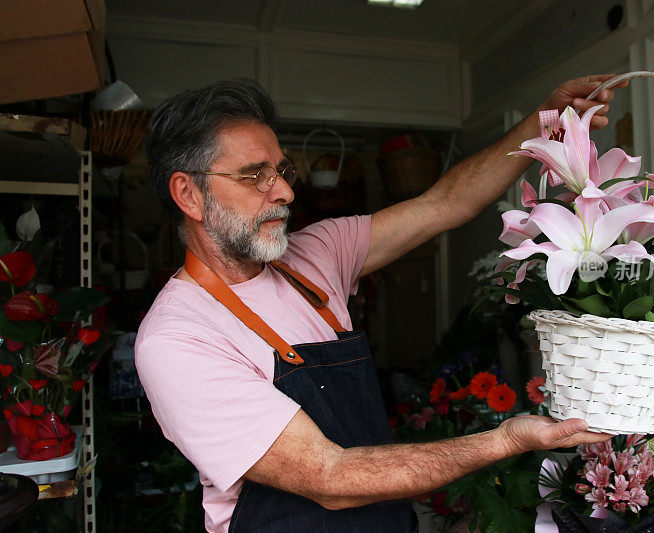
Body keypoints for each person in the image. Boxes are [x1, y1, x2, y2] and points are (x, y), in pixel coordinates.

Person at [136, 75, 622, 532]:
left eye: (281, 170)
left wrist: (545, 121)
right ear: (189, 195)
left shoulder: (318, 252)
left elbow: (446, 203)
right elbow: (330, 477)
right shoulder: (178, 338)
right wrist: (506, 440)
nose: (284, 191)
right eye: (254, 176)